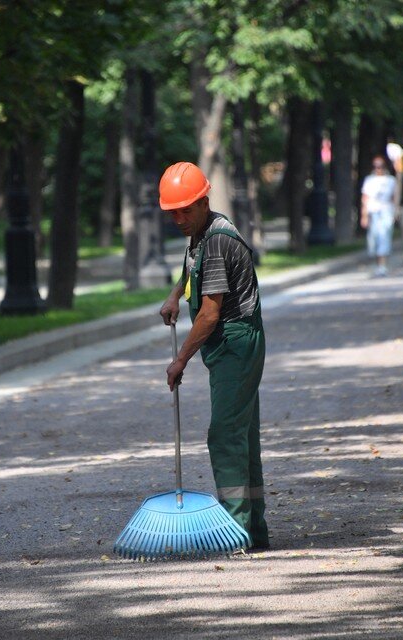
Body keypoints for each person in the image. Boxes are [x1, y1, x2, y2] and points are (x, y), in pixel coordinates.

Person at [158, 161, 269, 551]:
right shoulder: (203, 232)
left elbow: (209, 313)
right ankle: (253, 532)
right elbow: (192, 267)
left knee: (224, 434)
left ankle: (234, 529)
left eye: (186, 209)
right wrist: (175, 293)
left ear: (204, 201)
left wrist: (180, 359)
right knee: (242, 434)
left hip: (235, 342)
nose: (179, 218)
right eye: (173, 211)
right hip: (230, 342)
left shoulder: (220, 242)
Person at [360, 156, 396, 277]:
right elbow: (365, 199)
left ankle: (382, 266)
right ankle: (378, 264)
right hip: (373, 212)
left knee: (384, 237)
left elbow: (394, 198)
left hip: (386, 211)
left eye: (380, 166)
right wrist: (364, 215)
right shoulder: (369, 180)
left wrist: (395, 212)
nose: (378, 169)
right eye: (375, 166)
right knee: (373, 239)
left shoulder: (391, 180)